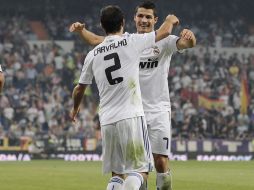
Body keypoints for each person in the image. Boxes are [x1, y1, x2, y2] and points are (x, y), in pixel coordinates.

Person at [69, 1, 196, 190]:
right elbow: (98, 39)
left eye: (148, 17)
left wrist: (190, 37)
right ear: (133, 18)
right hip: (133, 113)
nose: (144, 20)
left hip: (156, 109)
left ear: (155, 20)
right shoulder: (129, 40)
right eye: (140, 16)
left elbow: (187, 43)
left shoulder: (165, 42)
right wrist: (170, 20)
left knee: (160, 162)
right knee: (138, 168)